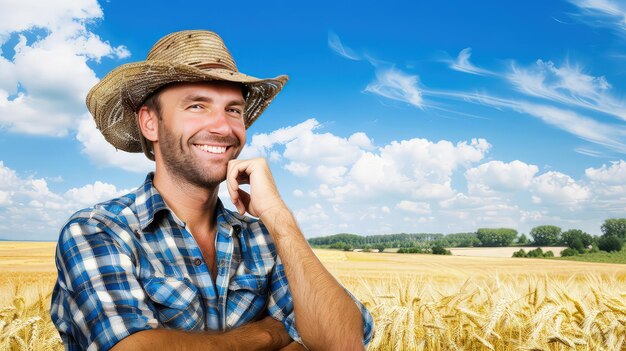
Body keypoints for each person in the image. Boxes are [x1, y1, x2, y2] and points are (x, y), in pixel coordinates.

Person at [50, 30, 374, 351]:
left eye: (233, 110)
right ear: (150, 123)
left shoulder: (263, 237)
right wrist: (271, 333)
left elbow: (343, 343)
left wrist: (279, 218)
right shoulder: (99, 230)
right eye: (197, 106)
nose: (222, 127)